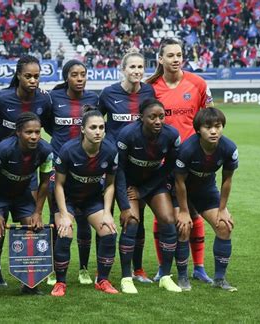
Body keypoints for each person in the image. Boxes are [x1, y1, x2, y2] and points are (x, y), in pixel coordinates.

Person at [0, 55, 51, 287]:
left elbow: (49, 128)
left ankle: (30, 277)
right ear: (18, 75)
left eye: (36, 76)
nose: (33, 81)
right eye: (28, 76)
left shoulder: (44, 101)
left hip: (26, 174)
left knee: (32, 225)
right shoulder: (1, 98)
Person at [147, 38, 215, 283]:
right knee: (162, 214)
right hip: (162, 162)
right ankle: (162, 268)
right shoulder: (151, 87)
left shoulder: (198, 83)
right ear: (160, 59)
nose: (176, 59)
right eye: (171, 55)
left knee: (193, 213)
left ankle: (199, 267)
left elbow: (209, 118)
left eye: (179, 55)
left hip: (193, 161)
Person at [98, 48, 155, 287]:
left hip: (139, 166)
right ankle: (104, 271)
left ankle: (137, 269)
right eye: (132, 67)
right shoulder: (108, 94)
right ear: (123, 69)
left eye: (140, 67)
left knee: (137, 218)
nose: (137, 71)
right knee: (107, 216)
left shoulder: (149, 92)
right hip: (114, 167)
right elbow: (95, 122)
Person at [50, 105, 119, 297]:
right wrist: (64, 214)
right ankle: (60, 283)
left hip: (91, 200)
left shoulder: (110, 151)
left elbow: (110, 185)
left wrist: (107, 213)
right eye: (93, 128)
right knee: (64, 233)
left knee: (109, 232)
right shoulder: (68, 150)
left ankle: (102, 280)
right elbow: (58, 185)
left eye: (101, 127)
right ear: (82, 129)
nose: (98, 132)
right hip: (68, 199)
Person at [115, 98, 182, 293]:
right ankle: (127, 277)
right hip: (128, 183)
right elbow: (119, 171)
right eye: (152, 117)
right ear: (141, 118)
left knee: (169, 220)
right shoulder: (127, 135)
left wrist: (143, 191)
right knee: (132, 221)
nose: (158, 121)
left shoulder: (171, 135)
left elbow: (169, 167)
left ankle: (165, 276)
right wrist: (125, 206)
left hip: (153, 183)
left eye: (161, 117)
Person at [45, 59, 99, 286]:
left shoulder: (93, 100)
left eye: (83, 74)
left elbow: (97, 125)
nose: (80, 79)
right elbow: (48, 124)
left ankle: (84, 269)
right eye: (75, 75)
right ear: (67, 77)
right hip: (59, 165)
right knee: (54, 218)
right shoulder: (54, 99)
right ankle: (50, 268)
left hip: (86, 168)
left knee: (84, 220)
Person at [0, 112, 53, 297]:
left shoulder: (46, 151)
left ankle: (30, 284)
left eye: (37, 132)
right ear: (18, 132)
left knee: (33, 231)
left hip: (22, 196)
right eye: (29, 132)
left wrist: (38, 212)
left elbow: (45, 182)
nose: (34, 136)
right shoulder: (4, 149)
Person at [174, 108, 238, 292]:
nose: (213, 131)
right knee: (184, 227)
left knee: (224, 226)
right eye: (208, 127)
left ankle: (219, 279)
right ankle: (183, 277)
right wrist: (184, 211)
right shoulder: (187, 149)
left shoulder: (229, 148)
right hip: (181, 190)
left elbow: (227, 179)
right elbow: (179, 181)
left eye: (218, 126)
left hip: (206, 191)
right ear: (198, 130)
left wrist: (222, 208)